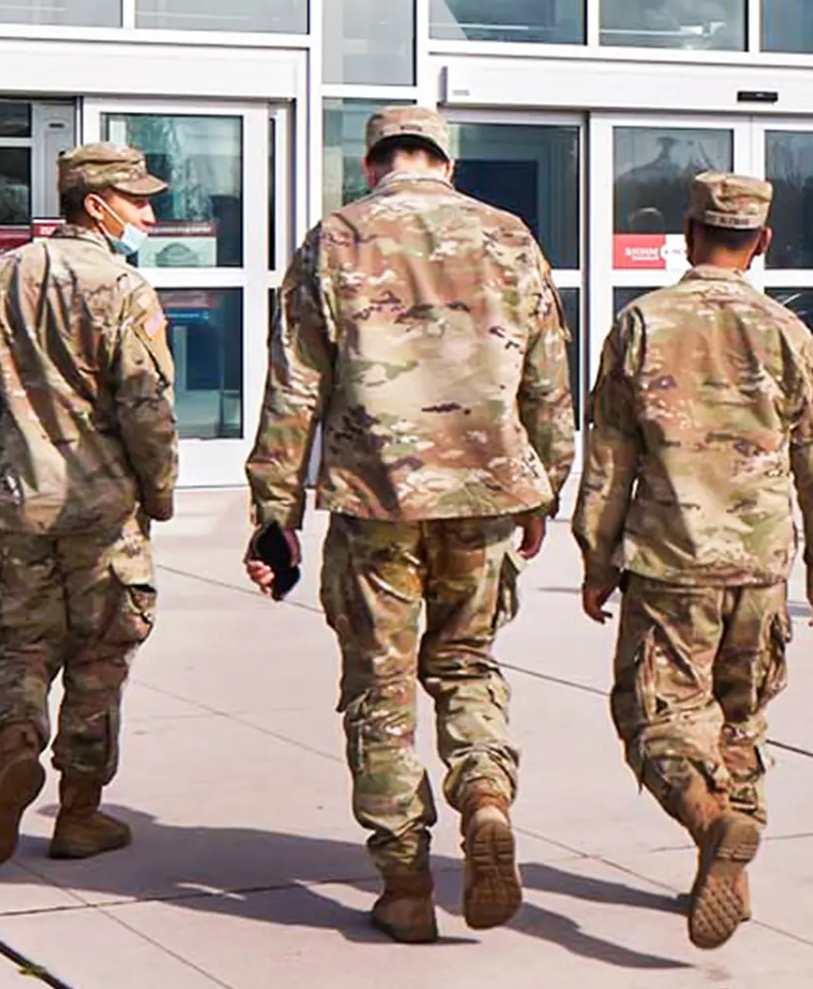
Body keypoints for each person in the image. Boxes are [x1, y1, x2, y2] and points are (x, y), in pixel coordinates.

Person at [243, 105, 576, 944]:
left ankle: (405, 880)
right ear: (445, 163)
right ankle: (485, 795)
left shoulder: (337, 237)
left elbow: (295, 388)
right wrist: (545, 488)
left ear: (372, 165)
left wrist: (274, 515)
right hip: (486, 497)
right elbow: (548, 376)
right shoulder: (509, 236)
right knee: (467, 662)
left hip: (374, 502)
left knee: (379, 687)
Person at [573, 170, 813, 951]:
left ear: (689, 236)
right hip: (761, 568)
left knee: (652, 718)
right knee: (740, 720)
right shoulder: (789, 334)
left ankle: (712, 823)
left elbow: (609, 461)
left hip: (670, 564)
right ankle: (730, 861)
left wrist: (596, 559)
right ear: (761, 243)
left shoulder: (642, 324)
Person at [0, 141, 179, 869]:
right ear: (96, 205)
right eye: (137, 201)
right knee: (100, 657)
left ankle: (14, 750)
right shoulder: (123, 289)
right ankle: (79, 813)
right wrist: (159, 491)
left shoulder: (2, 276)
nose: (149, 213)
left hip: (19, 503)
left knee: (18, 644)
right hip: (102, 508)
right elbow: (146, 407)